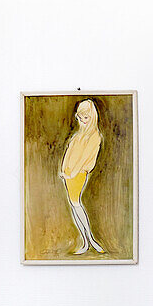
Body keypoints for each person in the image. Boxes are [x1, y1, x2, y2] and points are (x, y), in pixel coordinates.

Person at [59, 99, 105, 254]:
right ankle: (86, 241)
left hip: (78, 174)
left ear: (92, 117)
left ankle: (90, 240)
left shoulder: (95, 136)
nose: (83, 120)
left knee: (76, 203)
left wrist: (72, 172)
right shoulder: (77, 135)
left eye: (87, 117)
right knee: (74, 205)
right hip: (68, 174)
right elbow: (69, 153)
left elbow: (86, 158)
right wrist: (64, 170)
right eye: (81, 117)